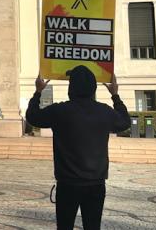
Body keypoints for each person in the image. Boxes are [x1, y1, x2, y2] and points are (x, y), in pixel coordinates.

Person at [25, 67, 131, 230]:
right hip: (95, 183)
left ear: (71, 88)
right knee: (93, 226)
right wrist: (115, 95)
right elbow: (125, 122)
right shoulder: (103, 111)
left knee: (65, 227)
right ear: (93, 88)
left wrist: (38, 92)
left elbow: (32, 117)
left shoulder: (60, 111)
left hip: (67, 183)